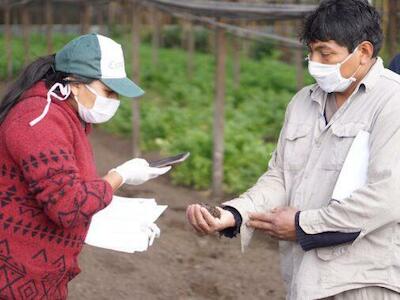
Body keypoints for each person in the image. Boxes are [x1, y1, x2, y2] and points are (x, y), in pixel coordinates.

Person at [187, 0, 400, 299]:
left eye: (325, 53)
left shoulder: (393, 102)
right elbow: (281, 177)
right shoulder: (303, 101)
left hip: (363, 282)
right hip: (305, 279)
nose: (314, 62)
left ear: (363, 52)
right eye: (311, 52)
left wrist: (302, 225)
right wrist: (235, 213)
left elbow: (388, 197)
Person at [0, 33, 170, 299]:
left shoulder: (63, 117)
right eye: (108, 91)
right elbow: (68, 206)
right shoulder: (38, 120)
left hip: (37, 275)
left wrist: (119, 217)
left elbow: (57, 190)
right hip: (13, 277)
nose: (114, 101)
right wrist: (119, 176)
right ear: (74, 83)